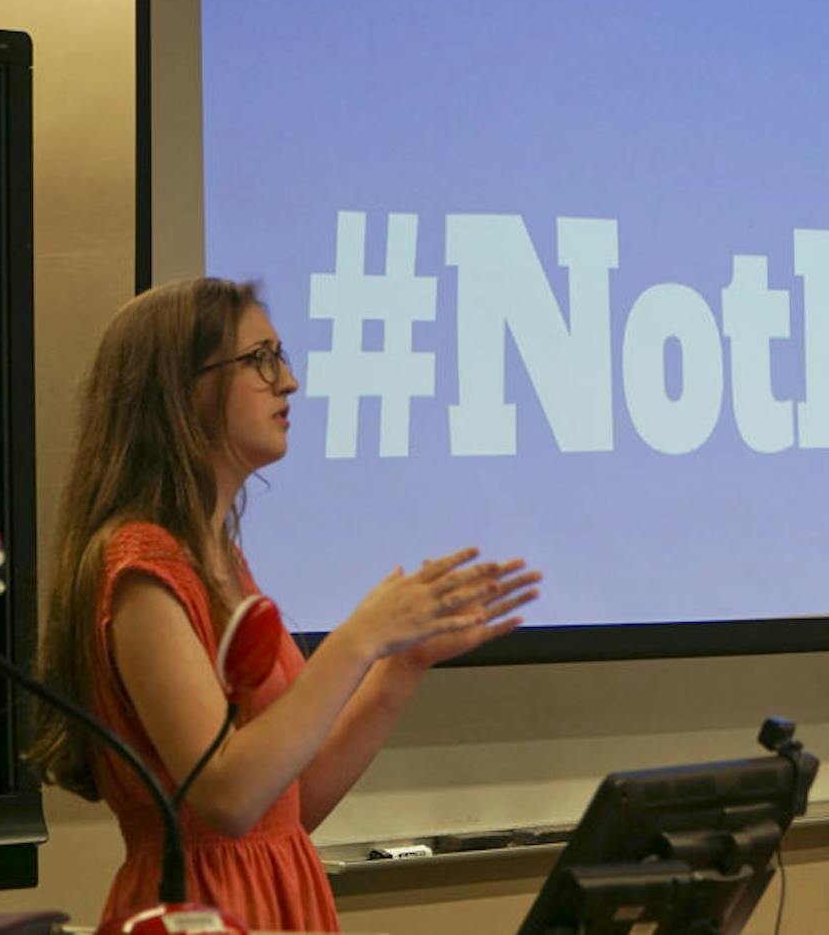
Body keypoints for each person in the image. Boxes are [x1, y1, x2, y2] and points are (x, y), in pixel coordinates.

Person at [27, 278, 540, 931]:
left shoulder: (220, 555)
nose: (289, 381)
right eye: (260, 359)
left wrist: (398, 666)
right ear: (183, 390)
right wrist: (356, 640)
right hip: (196, 912)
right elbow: (229, 795)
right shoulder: (143, 567)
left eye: (282, 355)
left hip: (278, 896)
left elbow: (285, 805)